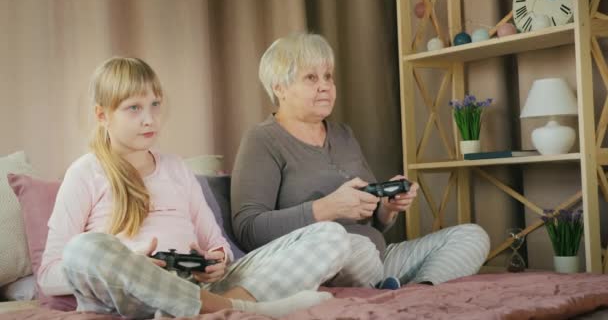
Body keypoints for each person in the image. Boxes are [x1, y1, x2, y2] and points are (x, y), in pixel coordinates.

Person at [38, 57, 350, 319]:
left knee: (331, 235)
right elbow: (48, 276)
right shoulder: (84, 172)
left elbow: (218, 246)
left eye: (155, 104)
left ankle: (205, 307)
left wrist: (214, 262)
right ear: (102, 115)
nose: (150, 119)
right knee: (84, 249)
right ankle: (240, 309)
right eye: (134, 108)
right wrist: (130, 265)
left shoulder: (176, 168)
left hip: (197, 287)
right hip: (127, 298)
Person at [231, 33, 490, 290]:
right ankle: (389, 289)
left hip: (376, 256)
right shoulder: (262, 139)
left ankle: (415, 293)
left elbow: (372, 221)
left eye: (328, 76)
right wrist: (328, 208)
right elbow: (248, 228)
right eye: (311, 77)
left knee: (471, 236)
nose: (325, 86)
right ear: (279, 87)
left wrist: (387, 208)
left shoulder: (343, 135)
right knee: (351, 245)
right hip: (327, 260)